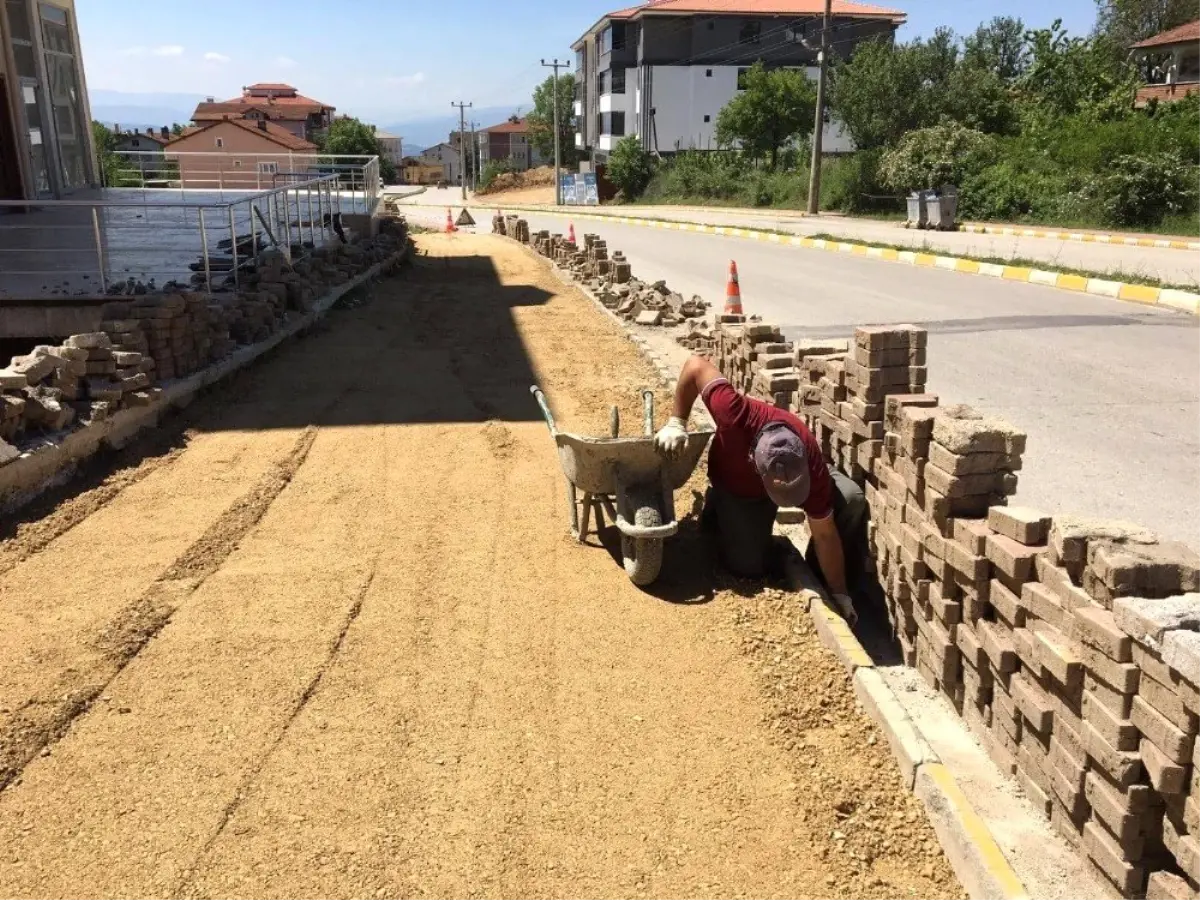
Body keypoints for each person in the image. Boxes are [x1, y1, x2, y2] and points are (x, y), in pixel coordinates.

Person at [654, 354, 866, 625]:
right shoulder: (734, 414)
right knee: (747, 569)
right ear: (754, 462)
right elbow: (697, 365)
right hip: (737, 487)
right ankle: (718, 511)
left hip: (778, 479)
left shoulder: (810, 462)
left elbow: (825, 534)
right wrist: (677, 421)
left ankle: (816, 573)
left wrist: (839, 593)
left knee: (850, 498)